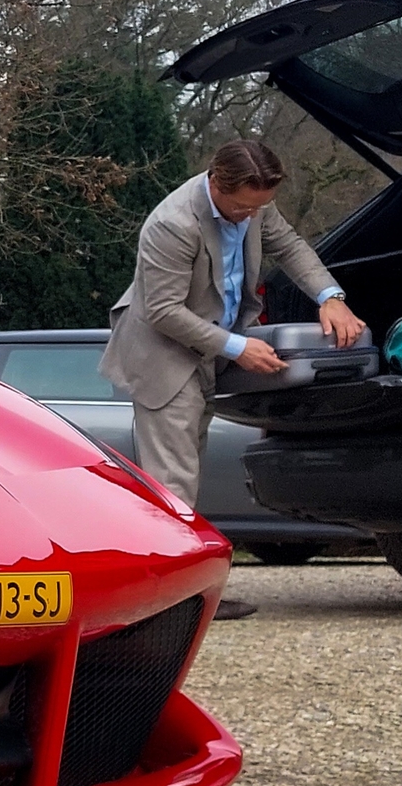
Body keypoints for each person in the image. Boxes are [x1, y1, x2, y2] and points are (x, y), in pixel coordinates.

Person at [101, 139, 364, 611]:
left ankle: (179, 591)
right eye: (241, 208)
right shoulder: (172, 223)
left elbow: (290, 246)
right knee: (172, 479)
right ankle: (176, 602)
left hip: (212, 346)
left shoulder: (256, 205)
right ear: (215, 182)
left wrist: (330, 296)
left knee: (186, 470)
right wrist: (238, 348)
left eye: (259, 208)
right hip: (164, 352)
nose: (250, 217)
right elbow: (162, 310)